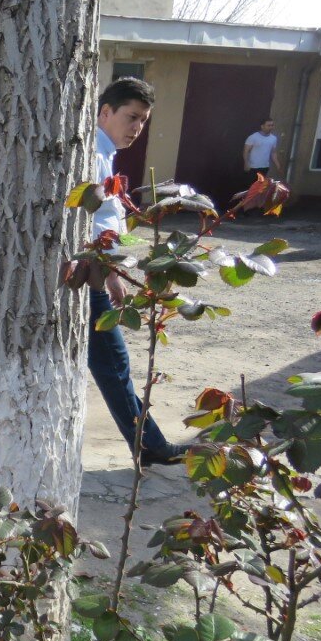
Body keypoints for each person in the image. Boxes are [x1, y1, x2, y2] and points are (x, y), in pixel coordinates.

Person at [90, 77, 189, 466]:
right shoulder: (94, 155)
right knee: (114, 364)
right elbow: (97, 222)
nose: (137, 128)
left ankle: (149, 445)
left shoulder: (103, 152)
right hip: (92, 277)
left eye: (143, 121)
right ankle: (152, 447)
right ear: (105, 112)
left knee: (112, 365)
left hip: (93, 272)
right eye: (131, 117)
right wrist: (112, 271)